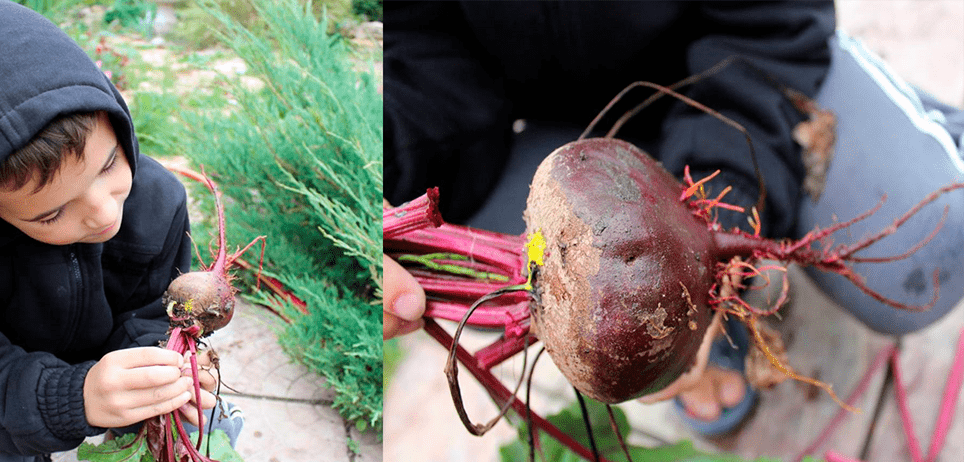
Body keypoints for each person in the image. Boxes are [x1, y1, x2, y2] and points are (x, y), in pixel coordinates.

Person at [383, 1, 964, 436]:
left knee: (925, 250)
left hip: (749, 55)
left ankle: (912, 128)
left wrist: (726, 190)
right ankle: (700, 321)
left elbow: (769, 20)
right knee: (487, 280)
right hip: (558, 131)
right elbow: (419, 52)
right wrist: (379, 163)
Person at [0, 1, 243, 462]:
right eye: (53, 212)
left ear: (113, 117)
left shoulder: (158, 196)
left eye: (109, 165)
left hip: (114, 374)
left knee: (212, 425)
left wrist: (162, 366)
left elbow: (157, 314)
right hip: (22, 393)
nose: (105, 213)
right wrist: (75, 397)